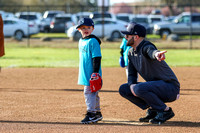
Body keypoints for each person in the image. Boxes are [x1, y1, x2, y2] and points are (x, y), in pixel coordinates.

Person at [119, 22, 180, 124]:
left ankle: (165, 111)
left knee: (139, 88)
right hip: (157, 87)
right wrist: (132, 85)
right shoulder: (130, 52)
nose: (125, 37)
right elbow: (131, 75)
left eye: (127, 35)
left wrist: (156, 54)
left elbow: (151, 51)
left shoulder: (146, 46)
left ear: (136, 37)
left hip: (170, 88)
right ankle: (154, 109)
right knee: (124, 89)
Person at [76, 18, 103, 124]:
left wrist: (95, 72)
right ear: (79, 29)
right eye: (83, 28)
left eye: (88, 27)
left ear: (92, 28)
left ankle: (91, 113)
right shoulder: (81, 41)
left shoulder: (93, 41)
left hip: (92, 73)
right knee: (93, 93)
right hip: (85, 72)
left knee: (88, 92)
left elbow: (97, 57)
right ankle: (97, 113)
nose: (86, 29)